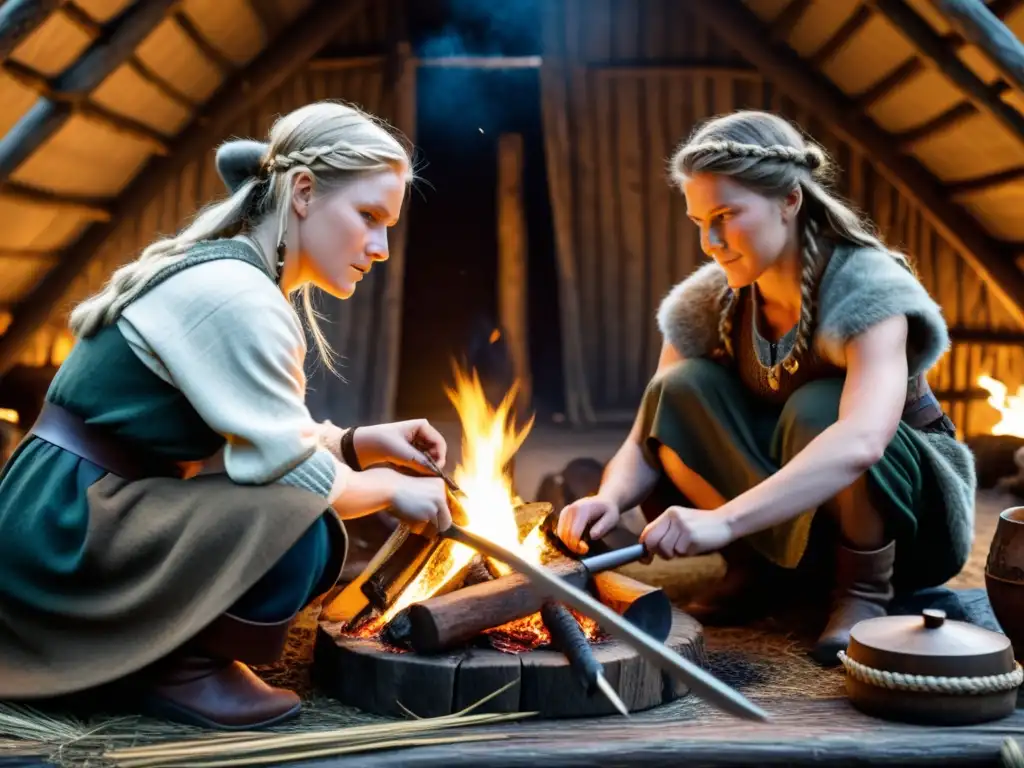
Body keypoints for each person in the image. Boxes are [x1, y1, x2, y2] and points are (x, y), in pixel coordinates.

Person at [0, 101, 455, 729]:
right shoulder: (238, 295)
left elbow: (276, 437)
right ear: (302, 192)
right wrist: (390, 491)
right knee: (306, 528)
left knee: (302, 510)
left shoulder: (235, 273)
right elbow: (293, 476)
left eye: (388, 226)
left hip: (64, 510)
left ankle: (163, 657)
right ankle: (176, 669)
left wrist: (358, 445)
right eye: (368, 217)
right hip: (66, 530)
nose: (379, 248)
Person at [556, 110, 976, 666]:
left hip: (911, 525)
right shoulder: (710, 299)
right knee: (681, 388)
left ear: (790, 201)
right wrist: (607, 499)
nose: (709, 242)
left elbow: (863, 440)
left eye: (726, 215)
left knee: (819, 407)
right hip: (790, 517)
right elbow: (647, 431)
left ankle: (861, 592)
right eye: (698, 221)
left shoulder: (869, 286)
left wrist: (723, 520)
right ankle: (759, 570)